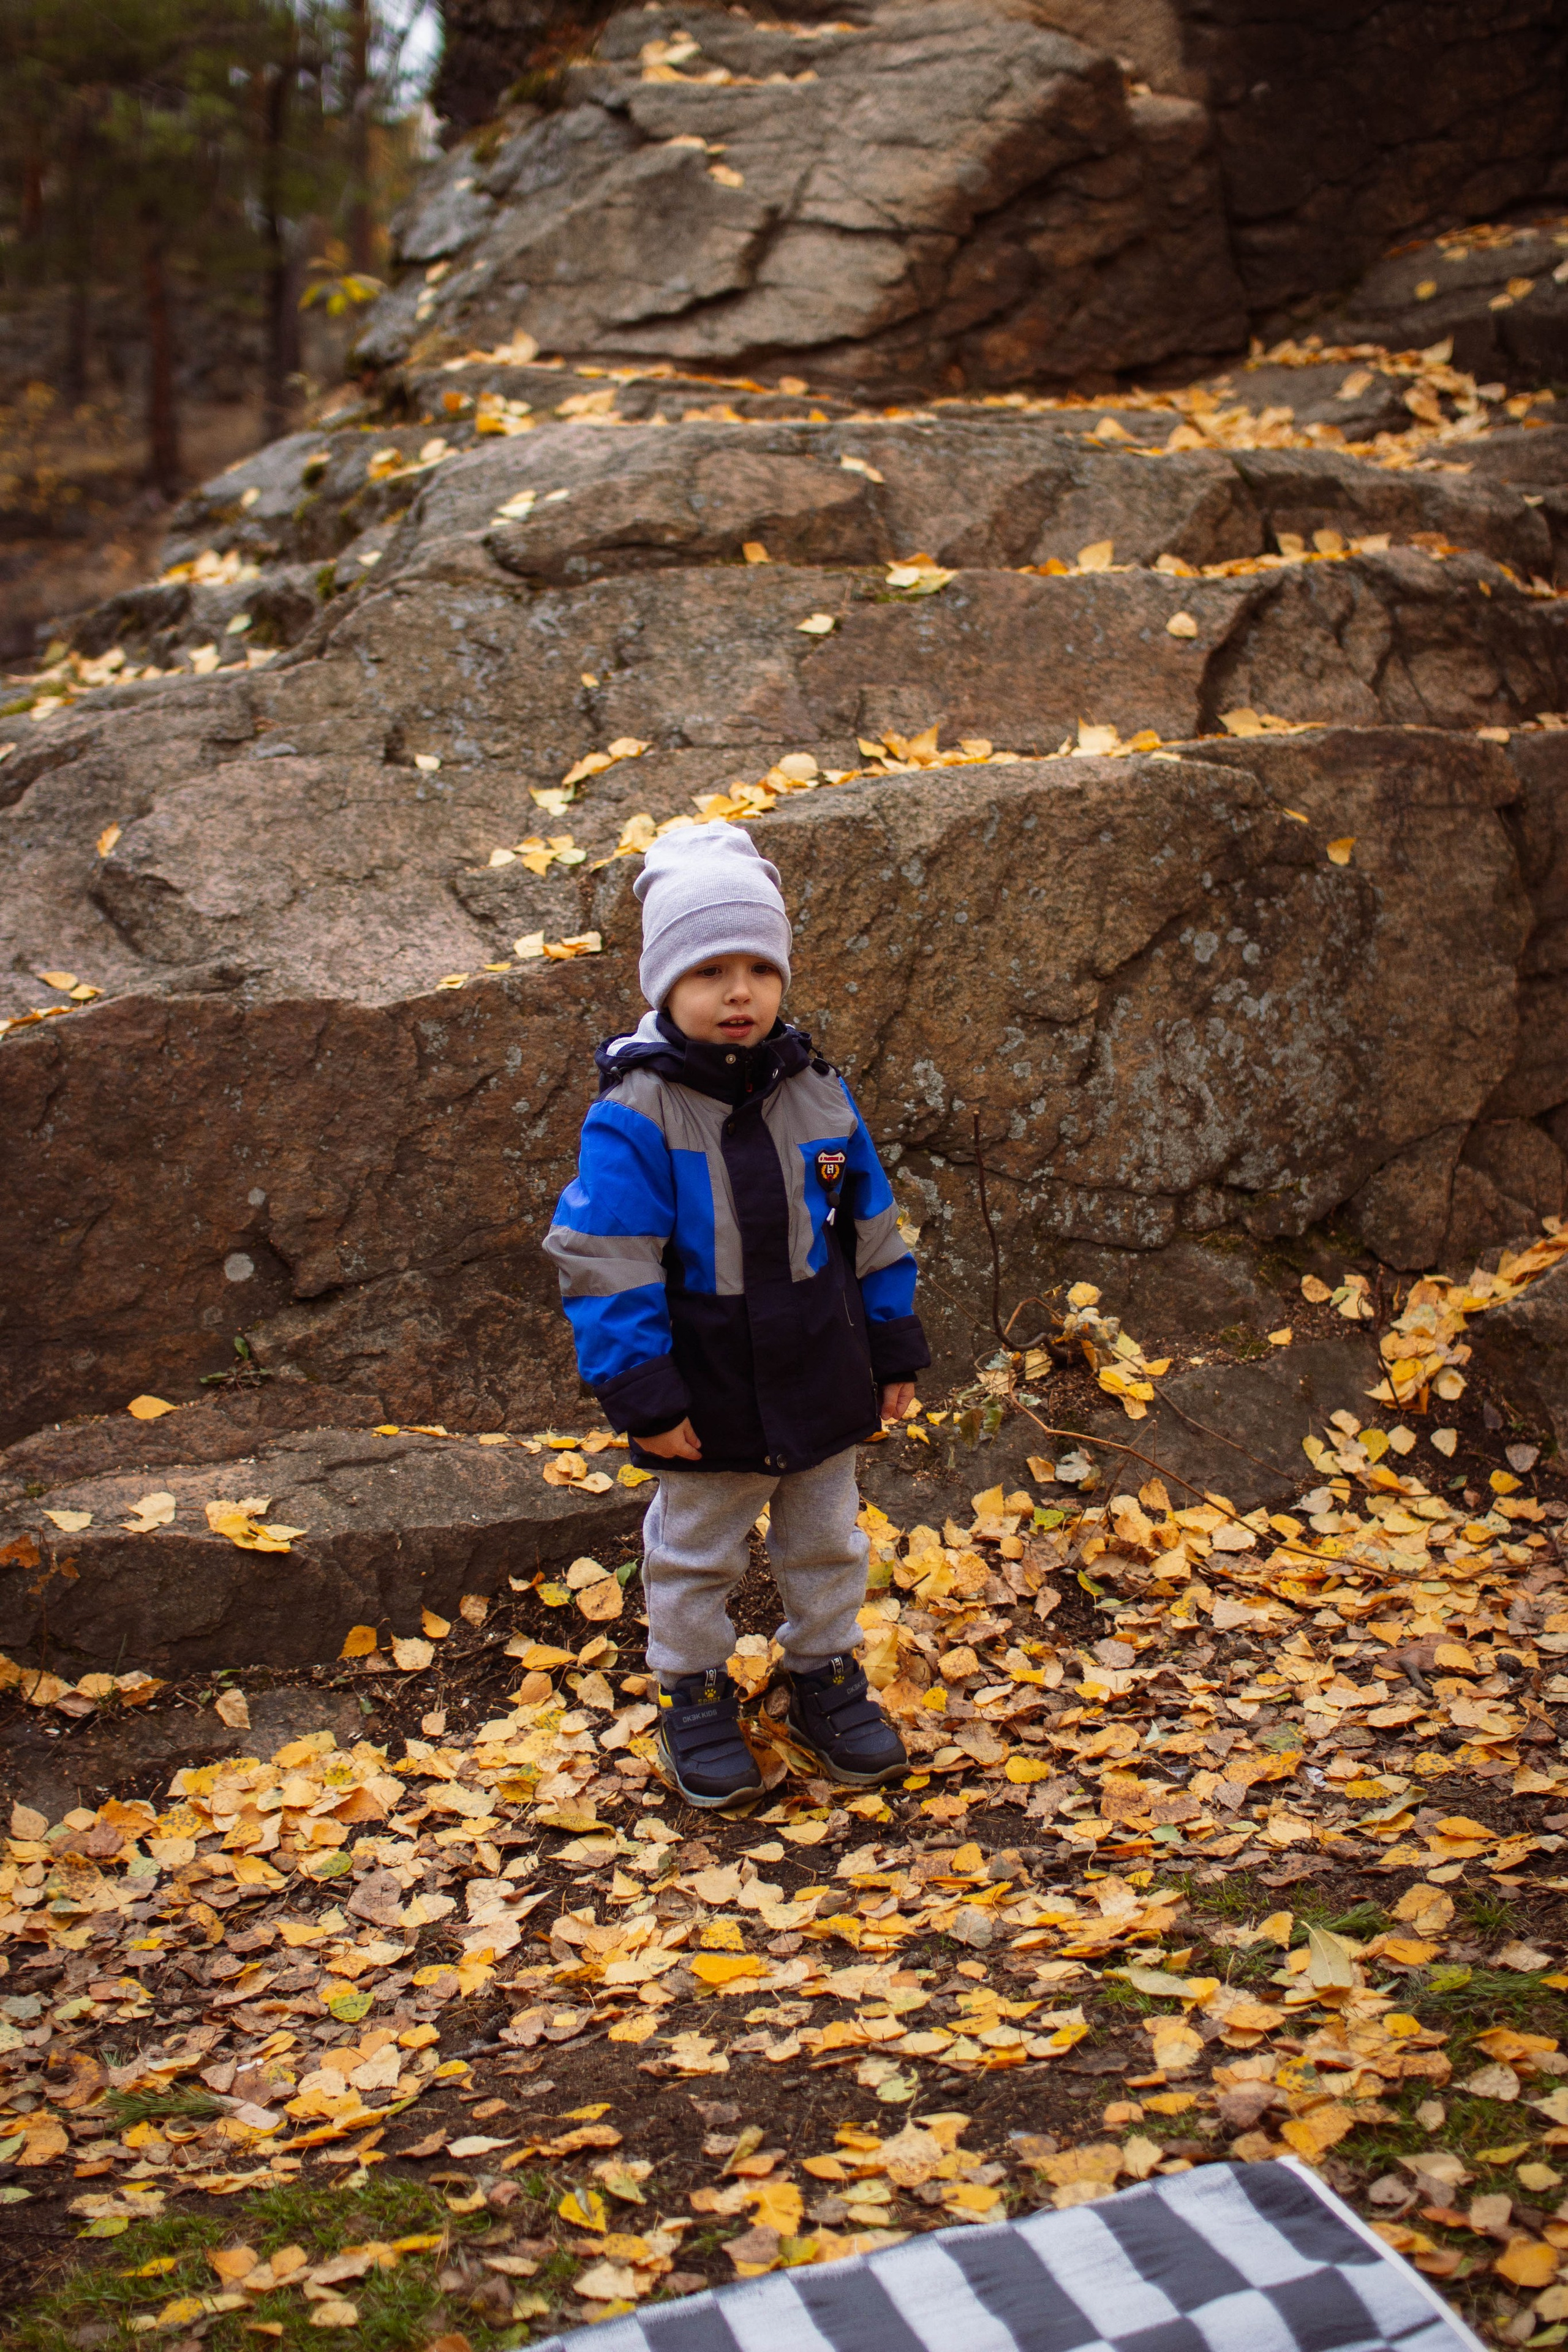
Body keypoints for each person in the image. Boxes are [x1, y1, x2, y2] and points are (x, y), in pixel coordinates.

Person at [543, 820, 930, 1807]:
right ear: (665, 983)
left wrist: (892, 1345)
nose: (739, 991)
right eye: (711, 969)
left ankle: (825, 1676)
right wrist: (640, 1389)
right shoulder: (636, 1114)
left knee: (828, 1540)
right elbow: (606, 1260)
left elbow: (873, 1230)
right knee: (695, 1550)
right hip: (706, 1386)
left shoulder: (821, 1095)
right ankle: (694, 1692)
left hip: (818, 1365)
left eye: (759, 967)